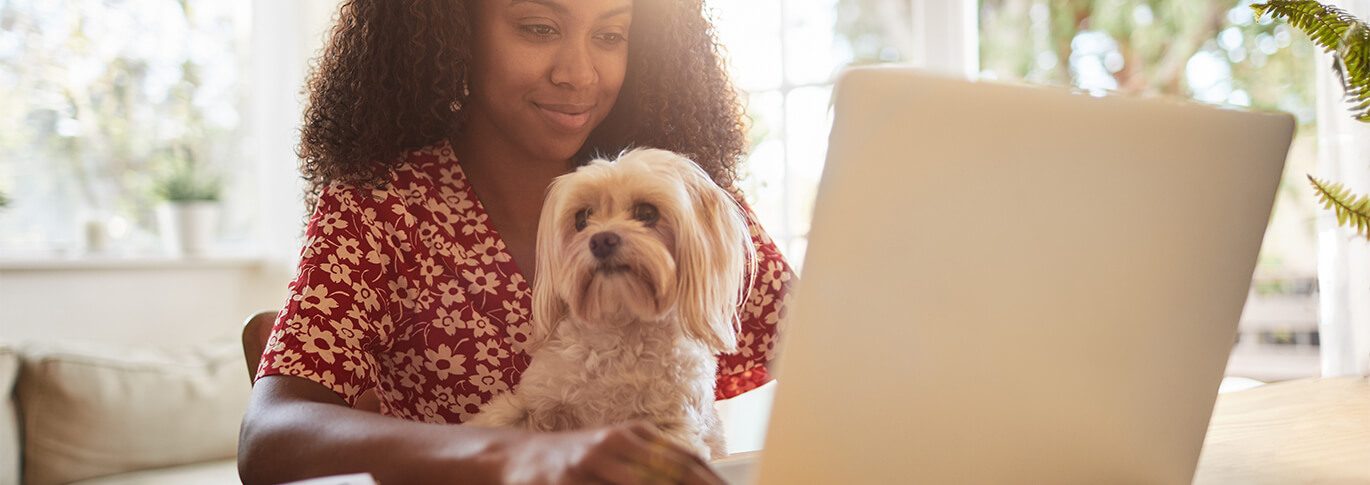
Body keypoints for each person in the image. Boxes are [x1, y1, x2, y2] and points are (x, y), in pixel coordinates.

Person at [237, 0, 795, 483]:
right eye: (538, 27)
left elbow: (836, 354)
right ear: (456, 32)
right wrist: (520, 453)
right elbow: (269, 438)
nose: (579, 74)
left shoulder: (688, 203)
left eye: (609, 35)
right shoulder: (379, 207)